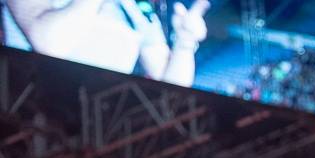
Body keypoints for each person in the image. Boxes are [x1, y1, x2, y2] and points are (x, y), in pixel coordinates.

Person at [3, 0, 209, 87]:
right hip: (40, 116)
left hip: (107, 124)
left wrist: (185, 41)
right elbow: (50, 44)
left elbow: (171, 86)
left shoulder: (135, 7)